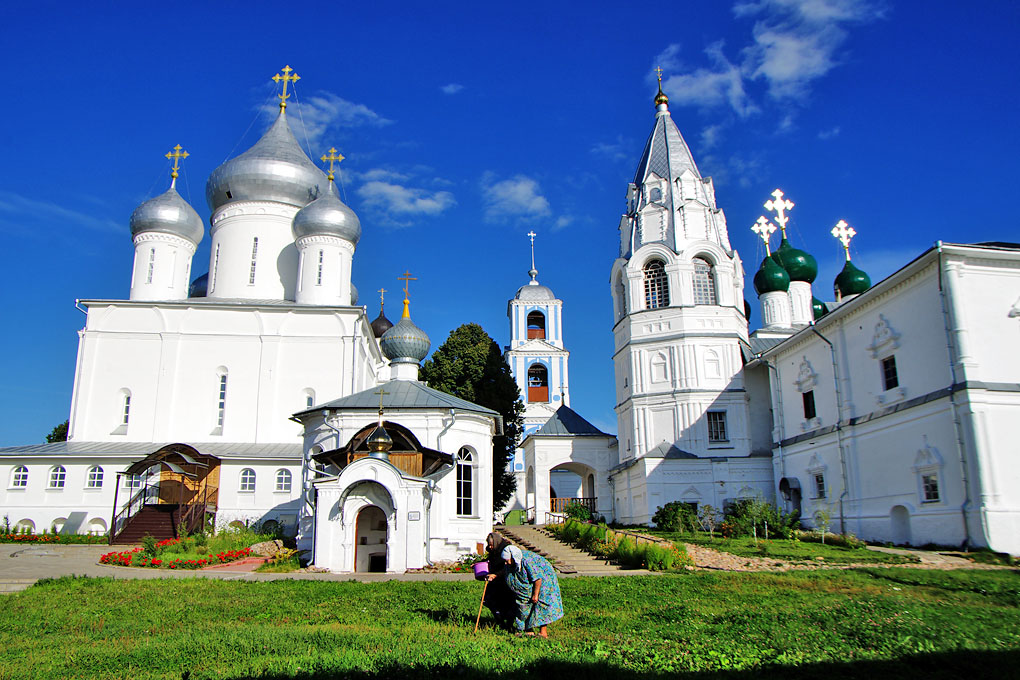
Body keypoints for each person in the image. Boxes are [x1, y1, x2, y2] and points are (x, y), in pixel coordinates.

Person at [488, 544, 563, 637]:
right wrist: (495, 575)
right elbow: (505, 570)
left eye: (507, 561)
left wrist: (535, 594)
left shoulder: (527, 562)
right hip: (531, 582)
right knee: (524, 605)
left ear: (513, 558)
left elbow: (537, 579)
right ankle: (528, 630)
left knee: (541, 603)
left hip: (544, 579)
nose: (506, 563)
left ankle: (543, 632)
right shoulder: (512, 562)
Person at [480, 531, 516, 631]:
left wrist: (495, 575)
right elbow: (490, 560)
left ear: (496, 543)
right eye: (489, 545)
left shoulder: (506, 549)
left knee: (507, 603)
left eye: (491, 545)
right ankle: (500, 621)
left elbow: (509, 567)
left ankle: (509, 624)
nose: (490, 547)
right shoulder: (494, 550)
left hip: (505, 580)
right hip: (494, 580)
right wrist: (479, 564)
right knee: (488, 600)